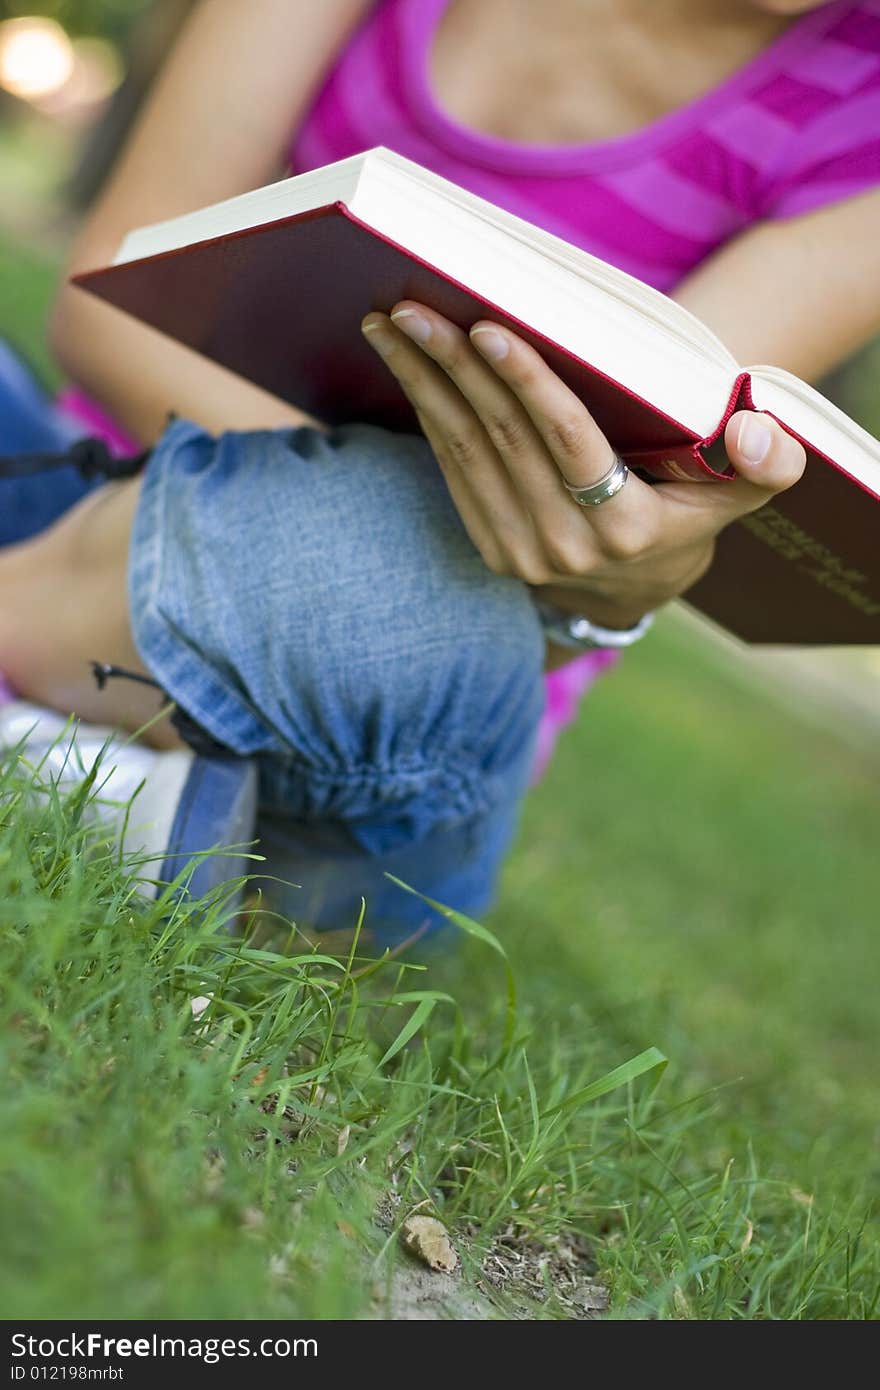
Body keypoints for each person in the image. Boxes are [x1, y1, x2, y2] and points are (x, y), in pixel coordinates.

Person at [1, 0, 878, 941]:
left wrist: (616, 593)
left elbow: (570, 526)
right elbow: (110, 302)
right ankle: (95, 770)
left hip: (389, 651)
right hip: (88, 491)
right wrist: (327, 481)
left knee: (387, 569)